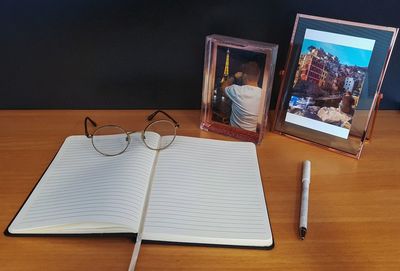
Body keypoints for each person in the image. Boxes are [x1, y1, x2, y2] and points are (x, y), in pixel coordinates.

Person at [221, 61, 262, 132]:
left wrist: (233, 77)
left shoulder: (237, 90)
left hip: (234, 134)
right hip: (251, 136)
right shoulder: (263, 94)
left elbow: (223, 87)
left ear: (244, 76)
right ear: (258, 76)